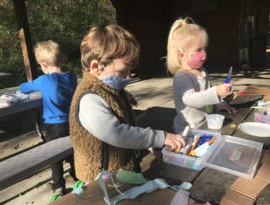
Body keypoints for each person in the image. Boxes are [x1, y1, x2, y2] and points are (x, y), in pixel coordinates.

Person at [69, 24, 185, 183]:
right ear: (96, 67)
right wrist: (159, 137)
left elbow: (128, 125)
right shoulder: (90, 99)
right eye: (123, 72)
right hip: (100, 182)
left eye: (130, 71)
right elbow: (116, 133)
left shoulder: (111, 90)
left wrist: (149, 145)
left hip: (122, 172)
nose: (129, 77)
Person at [20, 40, 77, 195]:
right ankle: (78, 176)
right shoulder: (71, 77)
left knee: (54, 155)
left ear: (44, 64)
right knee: (72, 150)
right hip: (72, 122)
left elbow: (24, 89)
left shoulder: (44, 80)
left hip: (54, 126)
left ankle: (59, 186)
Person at [166, 17, 237, 133]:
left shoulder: (202, 70)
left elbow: (207, 93)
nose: (204, 55)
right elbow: (190, 99)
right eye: (199, 50)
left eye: (204, 49)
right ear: (182, 55)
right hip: (188, 130)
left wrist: (219, 104)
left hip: (206, 123)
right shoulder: (182, 77)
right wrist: (216, 92)